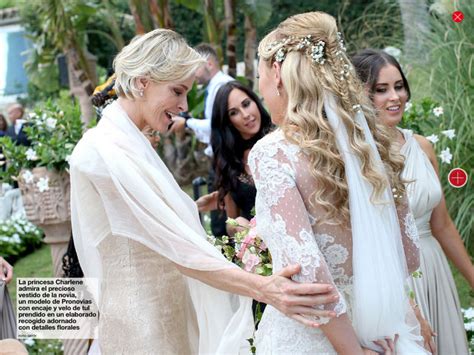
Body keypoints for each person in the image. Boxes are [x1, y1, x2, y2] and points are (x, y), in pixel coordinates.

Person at [70, 28, 338, 354]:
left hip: (168, 310)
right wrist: (265, 289)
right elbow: (176, 248)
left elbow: (136, 222)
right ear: (142, 82)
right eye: (178, 91)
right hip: (141, 327)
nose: (183, 107)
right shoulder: (102, 151)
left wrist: (190, 207)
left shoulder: (126, 140)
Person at [251, 11, 429, 354]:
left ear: (276, 73)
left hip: (317, 339)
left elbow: (309, 273)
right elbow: (408, 256)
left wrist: (352, 351)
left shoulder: (274, 153)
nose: (260, 88)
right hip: (381, 331)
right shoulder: (371, 144)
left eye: (259, 73)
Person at [352, 48, 472, 355]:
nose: (395, 97)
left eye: (399, 86)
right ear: (360, 95)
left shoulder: (422, 146)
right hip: (392, 277)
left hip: (433, 267)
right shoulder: (356, 159)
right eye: (381, 90)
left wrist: (472, 277)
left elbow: (442, 224)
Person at [172, 43, 234, 238]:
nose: (194, 74)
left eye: (195, 68)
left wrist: (188, 122)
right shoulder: (214, 86)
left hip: (225, 158)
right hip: (218, 158)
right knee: (220, 217)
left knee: (222, 220)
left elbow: (217, 126)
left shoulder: (222, 86)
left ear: (208, 63)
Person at [210, 80, 272, 236]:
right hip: (259, 249)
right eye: (234, 112)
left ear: (256, 102)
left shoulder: (280, 141)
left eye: (246, 104)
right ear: (228, 122)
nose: (246, 115)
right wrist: (239, 226)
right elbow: (231, 223)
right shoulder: (229, 162)